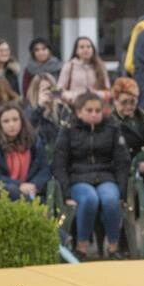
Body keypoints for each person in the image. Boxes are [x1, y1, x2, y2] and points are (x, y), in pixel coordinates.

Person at [53, 91, 131, 260]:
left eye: (98, 110)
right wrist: (66, 193)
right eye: (89, 110)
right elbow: (59, 163)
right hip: (78, 178)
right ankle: (82, 247)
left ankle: (113, 247)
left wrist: (122, 191)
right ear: (79, 112)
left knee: (110, 198)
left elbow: (122, 161)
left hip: (105, 176)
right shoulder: (68, 130)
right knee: (90, 199)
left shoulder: (112, 128)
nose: (95, 114)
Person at [0, 101, 51, 202]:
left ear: (22, 121)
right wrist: (19, 185)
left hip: (31, 187)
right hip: (2, 187)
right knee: (12, 192)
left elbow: (44, 169)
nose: (11, 124)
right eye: (6, 121)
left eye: (15, 120)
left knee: (45, 196)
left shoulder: (34, 141)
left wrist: (34, 185)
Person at [111, 77, 144, 157]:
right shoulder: (110, 122)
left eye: (133, 102)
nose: (129, 106)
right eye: (124, 102)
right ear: (115, 101)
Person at [58, 36, 111, 105]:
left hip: (95, 107)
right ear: (76, 51)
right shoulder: (69, 66)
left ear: (93, 50)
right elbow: (59, 89)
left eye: (88, 47)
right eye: (82, 47)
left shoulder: (100, 66)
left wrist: (96, 94)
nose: (86, 50)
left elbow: (107, 90)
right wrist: (71, 96)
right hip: (74, 106)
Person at [25, 73, 69, 147]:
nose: (48, 92)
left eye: (50, 88)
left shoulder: (61, 108)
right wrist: (40, 106)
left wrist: (64, 104)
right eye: (44, 89)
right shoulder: (30, 109)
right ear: (36, 91)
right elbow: (28, 127)